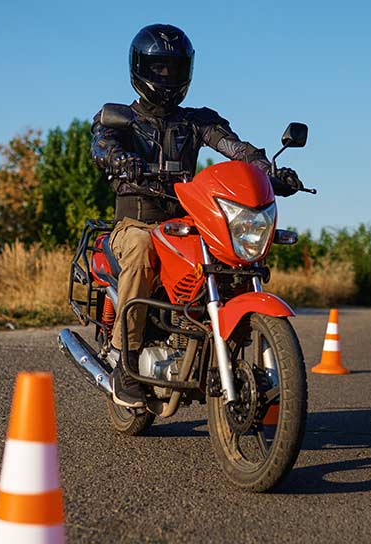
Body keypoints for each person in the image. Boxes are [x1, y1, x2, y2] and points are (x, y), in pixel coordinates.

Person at [90, 23, 304, 408]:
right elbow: (102, 146)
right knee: (140, 249)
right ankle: (125, 359)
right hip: (137, 222)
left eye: (174, 68)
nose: (167, 76)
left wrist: (265, 170)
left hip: (188, 224)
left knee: (230, 257)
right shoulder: (119, 117)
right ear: (141, 69)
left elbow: (235, 147)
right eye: (159, 68)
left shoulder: (197, 121)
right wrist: (120, 159)